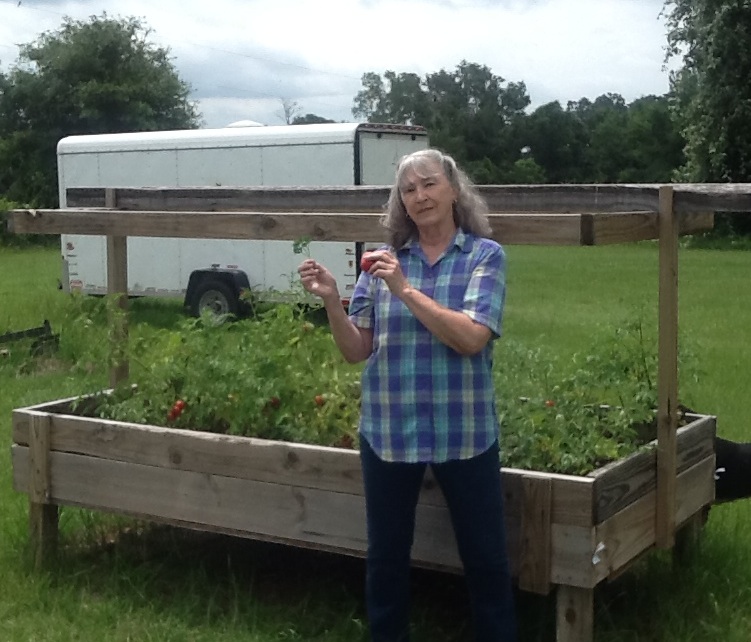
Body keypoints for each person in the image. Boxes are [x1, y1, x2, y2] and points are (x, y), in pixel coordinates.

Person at [297, 148, 517, 642]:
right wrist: (333, 300)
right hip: (390, 430)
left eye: (429, 184)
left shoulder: (484, 256)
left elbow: (471, 338)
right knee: (387, 560)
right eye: (409, 189)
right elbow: (357, 349)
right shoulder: (382, 262)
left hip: (465, 432)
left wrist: (404, 289)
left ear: (453, 190)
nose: (420, 196)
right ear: (401, 202)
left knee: (486, 560)